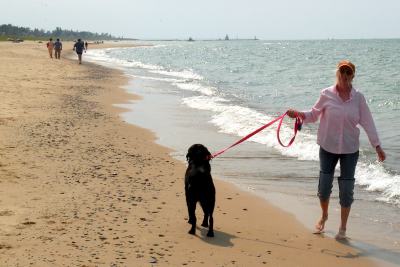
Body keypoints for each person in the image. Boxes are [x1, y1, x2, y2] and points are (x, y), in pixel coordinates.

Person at [287, 60, 386, 240]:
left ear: (353, 76)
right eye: (342, 72)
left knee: (346, 189)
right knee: (324, 187)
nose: (345, 76)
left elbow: (368, 123)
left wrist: (377, 145)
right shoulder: (326, 94)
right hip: (328, 146)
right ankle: (324, 215)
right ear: (337, 73)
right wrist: (298, 114)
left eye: (348, 73)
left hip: (350, 149)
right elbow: (313, 115)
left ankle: (343, 228)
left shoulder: (359, 98)